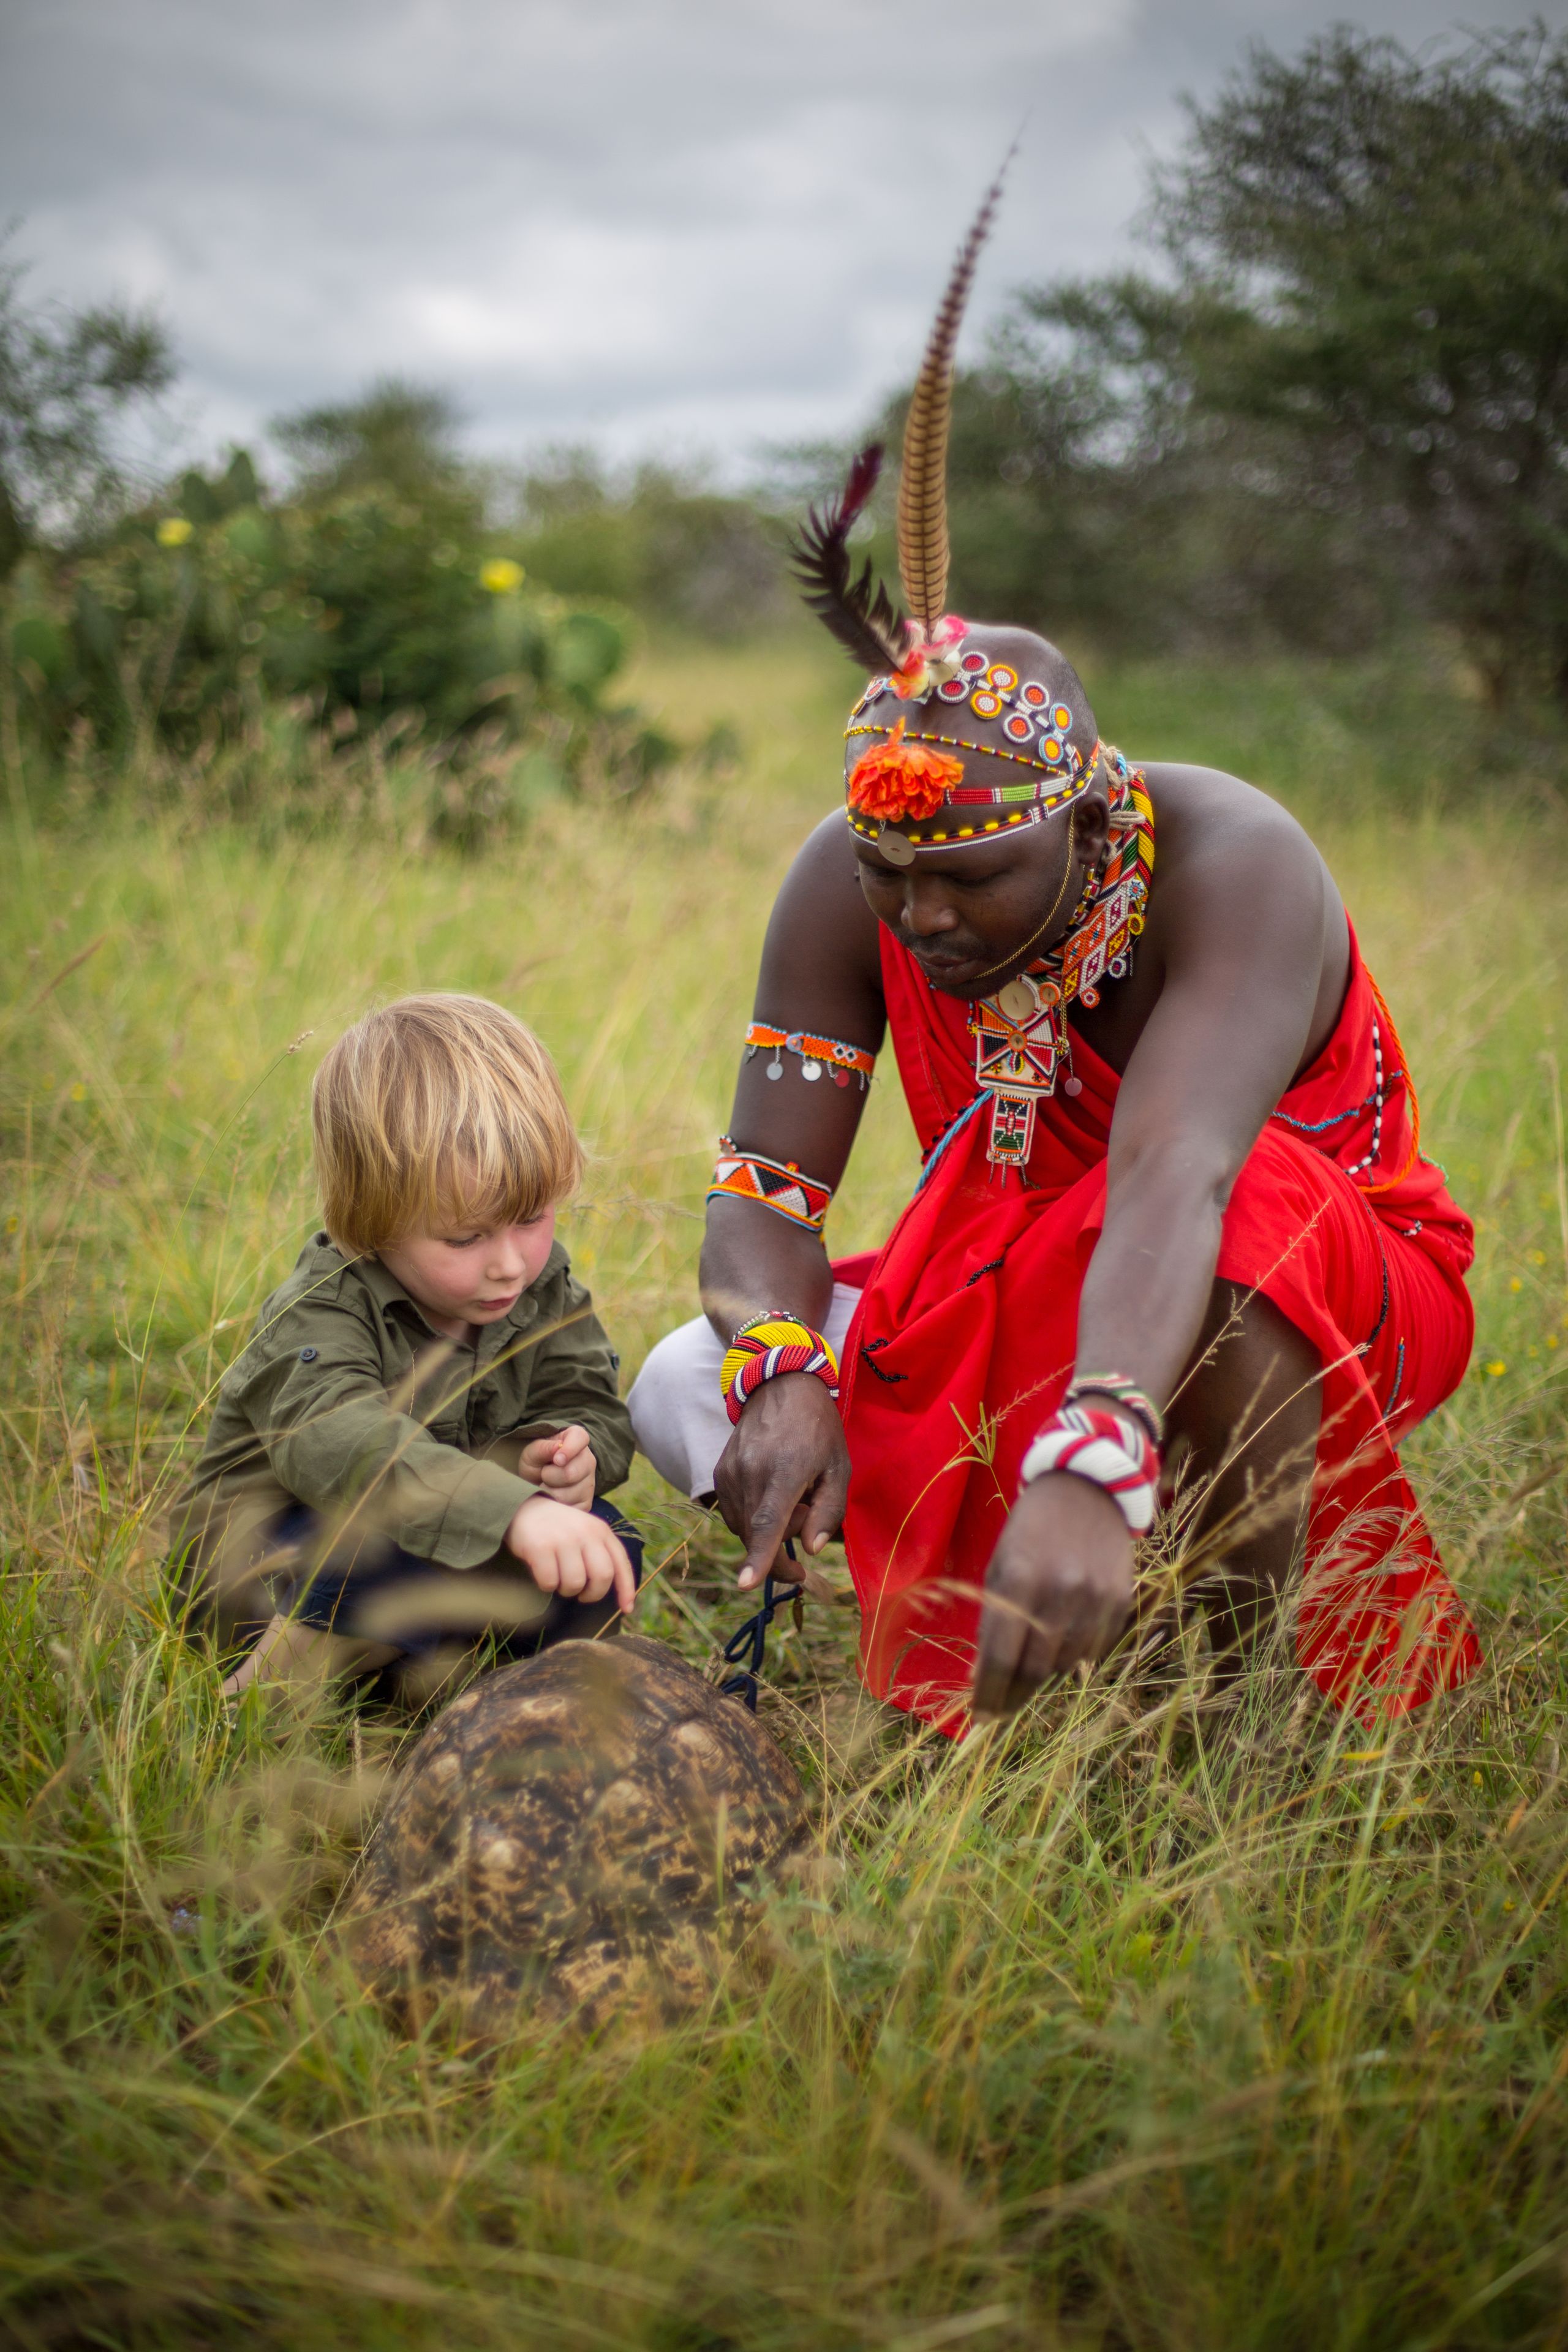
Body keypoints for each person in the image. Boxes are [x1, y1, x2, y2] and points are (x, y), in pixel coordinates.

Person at [629, 183, 1479, 1735]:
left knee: (1247, 1221)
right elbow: (762, 1193)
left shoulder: (1232, 864)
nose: (920, 919)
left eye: (964, 878)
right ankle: (962, 1624)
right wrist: (776, 1361)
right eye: (891, 880)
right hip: (1022, 1270)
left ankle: (1218, 1706)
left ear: (1090, 819)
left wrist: (1095, 1444)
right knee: (679, 1378)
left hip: (1296, 1279)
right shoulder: (848, 877)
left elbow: (1179, 1180)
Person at [172, 992, 640, 1703]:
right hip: (267, 1580)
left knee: (602, 1543)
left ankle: (498, 1694)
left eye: (531, 1218)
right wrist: (510, 1511)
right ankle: (260, 1696)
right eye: (465, 1238)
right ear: (373, 1218)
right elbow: (346, 1450)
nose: (510, 1263)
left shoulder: (540, 1285)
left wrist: (570, 1456)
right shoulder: (321, 1309)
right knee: (379, 1541)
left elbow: (586, 1397)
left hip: (440, 1547)